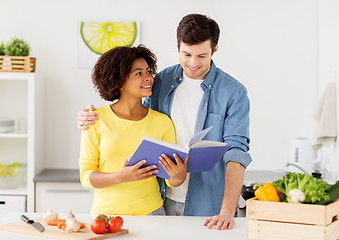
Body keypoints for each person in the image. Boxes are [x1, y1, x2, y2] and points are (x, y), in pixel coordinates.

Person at [78, 13, 251, 230]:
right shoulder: (161, 82)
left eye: (201, 56)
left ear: (214, 50)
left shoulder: (233, 92)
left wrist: (227, 210)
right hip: (161, 201)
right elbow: (132, 114)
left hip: (209, 206)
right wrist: (88, 117)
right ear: (177, 46)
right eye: (186, 54)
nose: (193, 63)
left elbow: (236, 154)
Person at [79, 45, 188, 216]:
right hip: (106, 216)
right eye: (139, 73)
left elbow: (170, 179)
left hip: (153, 213)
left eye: (148, 71)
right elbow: (86, 177)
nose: (148, 78)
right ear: (119, 81)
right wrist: (121, 176)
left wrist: (179, 175)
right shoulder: (95, 118)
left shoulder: (162, 122)